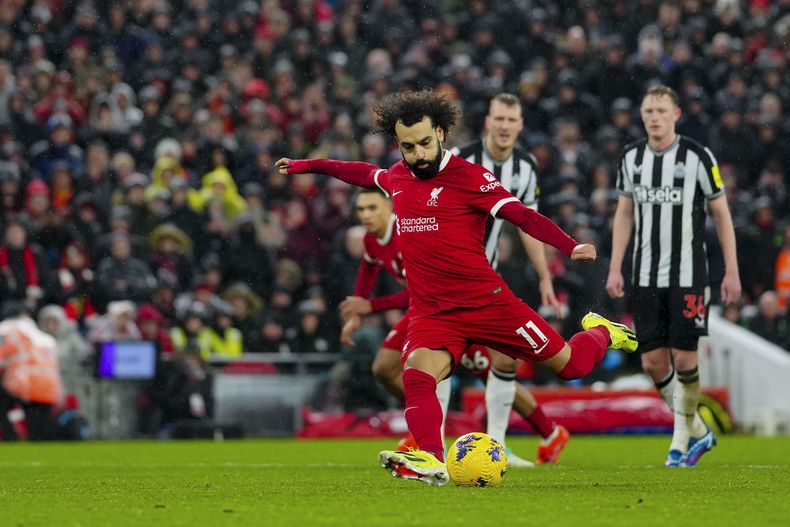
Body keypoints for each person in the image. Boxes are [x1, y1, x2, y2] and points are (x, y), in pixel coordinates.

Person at [276, 89, 637, 486]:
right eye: (408, 147)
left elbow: (522, 215)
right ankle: (431, 458)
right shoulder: (396, 177)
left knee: (572, 367)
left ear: (443, 133)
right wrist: (304, 165)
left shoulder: (471, 177)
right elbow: (356, 171)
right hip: (434, 312)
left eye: (425, 143)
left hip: (488, 304)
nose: (418, 155)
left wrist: (570, 246)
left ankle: (603, 331)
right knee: (416, 373)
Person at [606, 85, 741, 468]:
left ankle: (681, 439)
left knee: (684, 358)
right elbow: (624, 214)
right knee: (652, 363)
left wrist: (731, 271)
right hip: (645, 275)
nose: (654, 116)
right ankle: (699, 430)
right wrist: (616, 266)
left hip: (688, 275)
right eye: (648, 110)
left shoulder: (697, 156)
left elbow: (721, 213)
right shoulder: (631, 158)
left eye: (661, 110)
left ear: (675, 114)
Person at [451, 93, 570, 465]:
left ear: (520, 126)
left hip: (486, 277)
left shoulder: (525, 167)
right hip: (447, 279)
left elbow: (527, 226)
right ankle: (428, 447)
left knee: (504, 359)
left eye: (511, 120)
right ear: (488, 121)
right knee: (436, 359)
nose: (504, 126)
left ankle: (496, 447)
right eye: (498, 118)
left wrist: (545, 279)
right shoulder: (459, 159)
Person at [0, 302, 63, 440]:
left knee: (3, 404)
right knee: (39, 427)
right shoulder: (39, 333)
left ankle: (10, 436)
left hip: (24, 384)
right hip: (49, 386)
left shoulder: (6, 329)